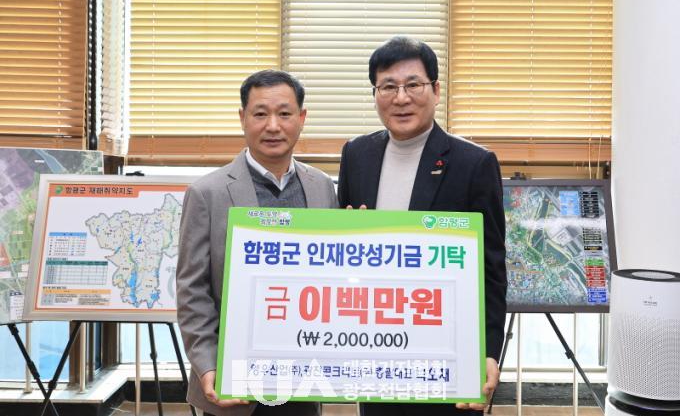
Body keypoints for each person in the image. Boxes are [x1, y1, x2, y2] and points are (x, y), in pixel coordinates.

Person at [337, 36, 507, 415]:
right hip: (376, 346)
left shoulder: (474, 163)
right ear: (375, 93)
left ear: (436, 90)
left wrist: (488, 351)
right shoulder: (356, 154)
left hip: (447, 348)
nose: (401, 98)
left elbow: (491, 269)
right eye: (388, 87)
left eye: (413, 85)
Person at [176, 70, 337, 416]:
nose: (273, 126)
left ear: (302, 118)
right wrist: (207, 366)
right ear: (242, 118)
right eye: (260, 114)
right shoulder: (207, 193)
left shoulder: (322, 187)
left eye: (284, 113)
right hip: (233, 381)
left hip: (303, 379)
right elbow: (192, 291)